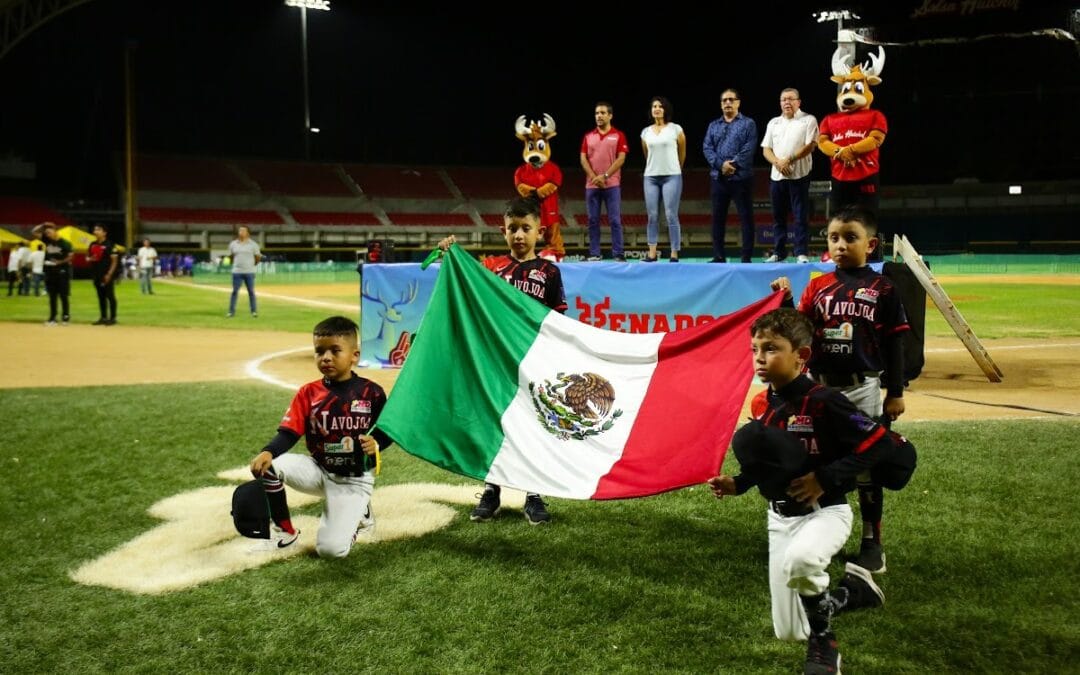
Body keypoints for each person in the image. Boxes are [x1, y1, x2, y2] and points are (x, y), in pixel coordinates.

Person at [708, 307, 891, 675]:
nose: (760, 358)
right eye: (755, 349)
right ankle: (853, 591)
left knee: (803, 563)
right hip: (780, 519)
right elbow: (769, 466)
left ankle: (825, 647)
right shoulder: (763, 404)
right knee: (790, 629)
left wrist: (825, 477)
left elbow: (882, 442)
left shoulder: (825, 400)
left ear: (801, 356)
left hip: (826, 512)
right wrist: (739, 484)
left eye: (772, 349)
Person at [769, 205, 910, 574]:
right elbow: (799, 331)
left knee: (866, 466)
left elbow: (896, 345)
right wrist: (785, 299)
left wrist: (895, 391)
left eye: (851, 237)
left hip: (862, 389)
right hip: (817, 388)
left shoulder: (884, 289)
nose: (841, 245)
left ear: (872, 244)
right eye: (834, 238)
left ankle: (871, 540)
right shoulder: (818, 286)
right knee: (813, 459)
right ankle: (815, 531)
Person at [436, 195, 566, 524]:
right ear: (502, 231)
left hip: (534, 363)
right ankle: (491, 490)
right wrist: (449, 254)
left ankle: (534, 494)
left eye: (526, 228)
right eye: (512, 228)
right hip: (497, 364)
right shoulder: (493, 270)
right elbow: (466, 290)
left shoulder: (549, 272)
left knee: (534, 425)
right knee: (498, 424)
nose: (519, 234)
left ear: (541, 231)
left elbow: (557, 320)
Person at [248, 315, 391, 557]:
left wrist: (377, 442)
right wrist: (269, 451)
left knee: (331, 551)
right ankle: (284, 532)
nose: (326, 357)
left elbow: (387, 430)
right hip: (318, 469)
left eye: (335, 351)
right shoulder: (308, 393)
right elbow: (289, 432)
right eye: (319, 351)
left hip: (354, 479)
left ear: (354, 355)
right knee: (270, 466)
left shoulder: (372, 392)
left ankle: (359, 513)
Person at [761, 88, 818, 263]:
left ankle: (801, 252)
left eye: (791, 99)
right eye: (783, 99)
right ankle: (779, 252)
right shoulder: (773, 123)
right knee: (778, 217)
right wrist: (778, 162)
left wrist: (790, 159)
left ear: (798, 102)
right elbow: (766, 149)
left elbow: (811, 145)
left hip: (799, 176)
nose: (787, 102)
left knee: (800, 216)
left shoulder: (808, 120)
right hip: (777, 176)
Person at [703, 88, 759, 263]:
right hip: (718, 179)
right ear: (721, 104)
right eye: (724, 100)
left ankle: (746, 256)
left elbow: (749, 148)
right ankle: (719, 255)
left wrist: (732, 165)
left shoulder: (748, 124)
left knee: (746, 218)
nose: (727, 103)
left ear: (738, 102)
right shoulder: (713, 125)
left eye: (731, 100)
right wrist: (721, 165)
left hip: (741, 178)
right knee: (718, 219)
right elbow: (707, 148)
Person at [580, 101, 629, 262]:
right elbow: (583, 158)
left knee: (615, 220)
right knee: (593, 220)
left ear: (610, 115)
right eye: (596, 113)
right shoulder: (588, 136)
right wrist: (594, 177)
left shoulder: (618, 135)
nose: (599, 116)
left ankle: (618, 254)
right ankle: (594, 253)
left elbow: (621, 159)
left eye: (602, 113)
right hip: (592, 185)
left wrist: (605, 176)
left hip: (612, 185)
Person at [639, 96, 685, 262]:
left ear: (665, 109)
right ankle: (652, 253)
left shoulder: (676, 129)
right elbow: (647, 154)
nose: (656, 109)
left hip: (672, 176)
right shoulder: (645, 132)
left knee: (671, 214)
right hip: (651, 177)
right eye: (654, 106)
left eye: (660, 106)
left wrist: (676, 168)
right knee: (652, 215)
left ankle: (674, 253)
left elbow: (682, 151)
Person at [34, 222, 72, 325]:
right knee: (52, 296)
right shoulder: (47, 241)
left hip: (62, 272)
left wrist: (60, 262)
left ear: (55, 232)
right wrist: (43, 225)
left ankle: (65, 317)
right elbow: (34, 232)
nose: (47, 234)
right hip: (50, 272)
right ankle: (52, 318)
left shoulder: (65, 243)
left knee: (63, 296)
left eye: (49, 232)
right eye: (46, 233)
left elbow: (70, 256)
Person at [88, 224, 119, 325]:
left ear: (104, 233)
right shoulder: (92, 244)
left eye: (98, 229)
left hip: (106, 274)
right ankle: (103, 317)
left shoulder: (110, 245)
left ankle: (113, 318)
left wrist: (109, 274)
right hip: (96, 274)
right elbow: (90, 257)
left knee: (110, 296)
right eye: (95, 229)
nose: (95, 231)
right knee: (100, 296)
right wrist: (89, 259)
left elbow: (114, 261)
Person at [226, 225, 261, 318]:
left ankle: (254, 311)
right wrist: (235, 265)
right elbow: (230, 256)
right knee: (234, 292)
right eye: (240, 231)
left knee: (251, 292)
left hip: (249, 272)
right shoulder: (233, 244)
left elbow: (257, 257)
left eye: (243, 231)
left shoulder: (253, 244)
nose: (240, 232)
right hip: (237, 272)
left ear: (248, 233)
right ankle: (231, 312)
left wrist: (252, 265)